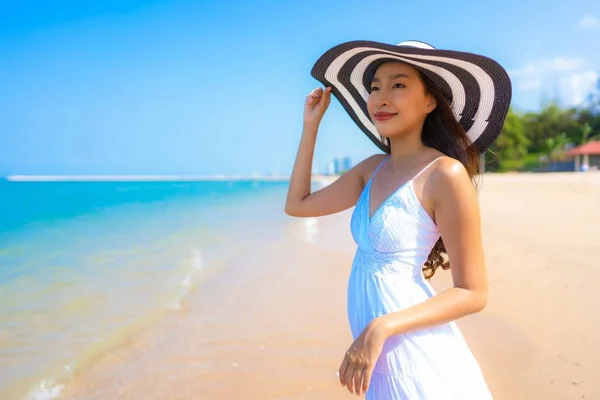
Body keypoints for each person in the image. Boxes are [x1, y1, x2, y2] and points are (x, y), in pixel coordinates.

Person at [285, 40, 511, 399]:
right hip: (379, 357)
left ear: (430, 101)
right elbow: (298, 205)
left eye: (398, 85)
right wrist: (310, 127)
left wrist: (380, 328)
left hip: (414, 352)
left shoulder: (445, 175)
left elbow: (473, 293)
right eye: (375, 87)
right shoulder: (372, 170)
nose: (381, 97)